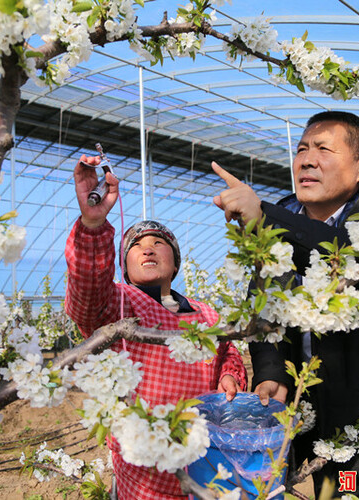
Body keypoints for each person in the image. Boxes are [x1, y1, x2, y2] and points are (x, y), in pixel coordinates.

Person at [212, 111, 359, 499]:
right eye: (302, 149)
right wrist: (271, 370)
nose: (307, 160)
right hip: (320, 424)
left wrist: (267, 216)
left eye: (324, 149)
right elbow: (264, 309)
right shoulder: (281, 218)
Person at [64, 154, 248, 500]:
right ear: (122, 265)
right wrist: (92, 226)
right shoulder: (119, 303)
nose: (147, 248)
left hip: (202, 454)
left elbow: (228, 354)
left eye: (158, 243)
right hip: (142, 468)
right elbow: (85, 297)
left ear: (175, 262)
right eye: (136, 245)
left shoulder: (205, 314)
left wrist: (230, 376)